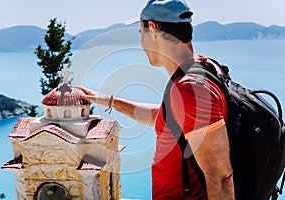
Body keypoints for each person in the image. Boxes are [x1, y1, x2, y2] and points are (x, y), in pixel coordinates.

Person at [83, 0, 235, 199]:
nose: (141, 42)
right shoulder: (203, 68)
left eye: (141, 33)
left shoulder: (190, 90)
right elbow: (170, 118)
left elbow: (221, 178)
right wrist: (109, 100)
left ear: (153, 28)